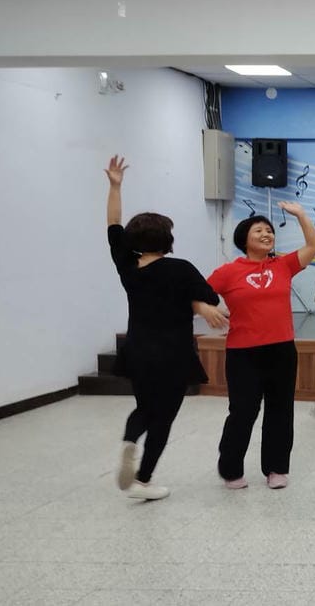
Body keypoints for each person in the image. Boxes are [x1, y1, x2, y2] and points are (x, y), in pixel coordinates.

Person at [105, 155, 226, 501]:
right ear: (167, 239)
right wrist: (201, 305)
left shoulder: (128, 266)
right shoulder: (180, 269)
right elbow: (211, 298)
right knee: (164, 416)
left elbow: (112, 224)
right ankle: (142, 480)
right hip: (174, 352)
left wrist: (115, 186)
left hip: (138, 349)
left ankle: (130, 440)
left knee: (144, 407)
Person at [207, 202, 315, 490]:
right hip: (243, 353)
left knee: (280, 410)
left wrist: (301, 215)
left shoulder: (283, 265)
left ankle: (276, 468)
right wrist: (207, 309)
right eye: (259, 230)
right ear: (244, 239)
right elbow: (198, 293)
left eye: (269, 230)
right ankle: (231, 469)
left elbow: (313, 246)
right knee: (243, 411)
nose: (267, 234)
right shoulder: (228, 271)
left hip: (282, 349)